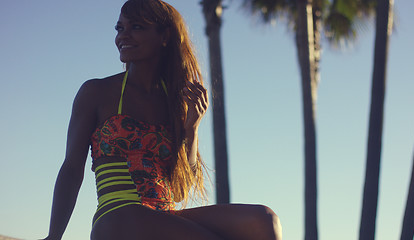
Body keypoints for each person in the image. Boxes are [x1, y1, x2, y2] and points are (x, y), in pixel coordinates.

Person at [42, 0, 282, 239]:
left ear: (164, 36)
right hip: (118, 217)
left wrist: (192, 129)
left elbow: (178, 192)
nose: (123, 36)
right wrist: (54, 236)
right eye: (119, 28)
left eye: (136, 27)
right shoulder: (97, 92)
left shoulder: (175, 102)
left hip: (165, 217)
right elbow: (72, 169)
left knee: (264, 220)